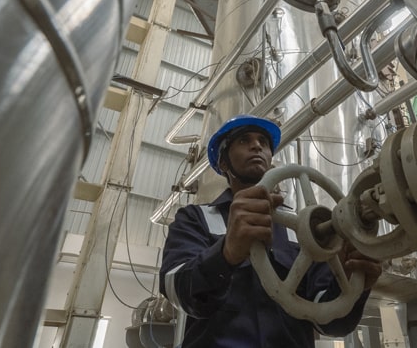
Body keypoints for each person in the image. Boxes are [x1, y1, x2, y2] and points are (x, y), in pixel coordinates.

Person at [160, 114, 382, 347]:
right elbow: (175, 290)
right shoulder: (196, 218)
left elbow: (329, 321)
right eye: (244, 140)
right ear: (224, 163)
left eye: (263, 142)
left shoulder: (304, 229)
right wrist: (225, 254)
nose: (256, 146)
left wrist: (351, 283)